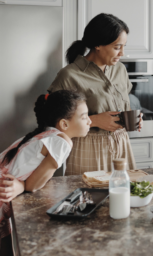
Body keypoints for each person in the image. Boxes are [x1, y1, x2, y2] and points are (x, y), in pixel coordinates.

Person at [48, 13, 142, 175]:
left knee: (126, 195)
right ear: (98, 45)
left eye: (123, 46)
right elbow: (52, 123)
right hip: (87, 148)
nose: (122, 53)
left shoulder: (120, 70)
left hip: (122, 144)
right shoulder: (70, 75)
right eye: (117, 47)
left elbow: (124, 104)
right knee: (89, 197)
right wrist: (94, 121)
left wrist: (134, 119)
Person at [0, 90, 91, 256]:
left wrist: (21, 185)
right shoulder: (62, 141)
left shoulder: (43, 135)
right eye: (84, 117)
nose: (90, 121)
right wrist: (22, 186)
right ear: (64, 124)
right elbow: (33, 185)